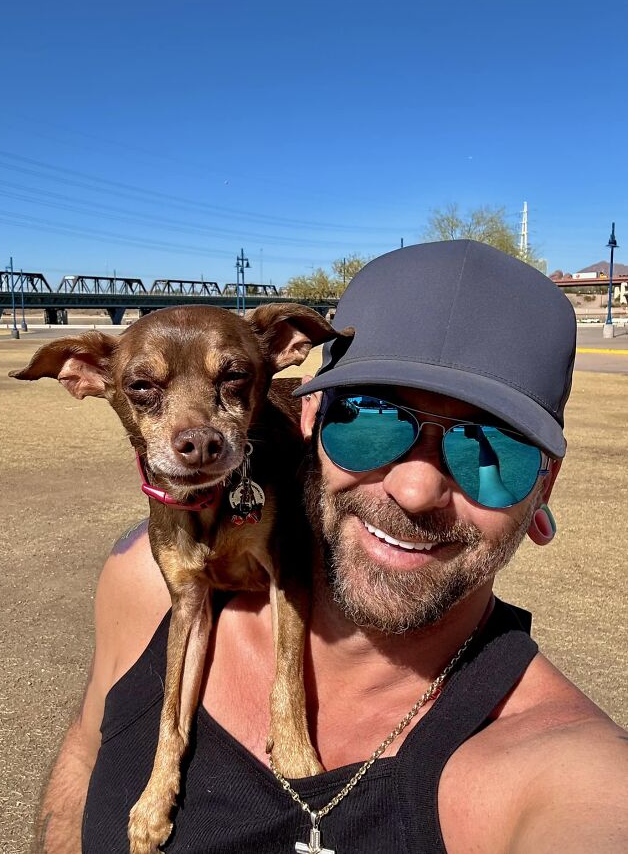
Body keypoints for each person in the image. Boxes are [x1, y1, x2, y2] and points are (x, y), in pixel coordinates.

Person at [34, 241, 628, 854]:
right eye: (371, 421)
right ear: (307, 418)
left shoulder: (568, 766)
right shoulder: (138, 584)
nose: (416, 488)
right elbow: (83, 759)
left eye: (489, 450)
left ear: (544, 484)